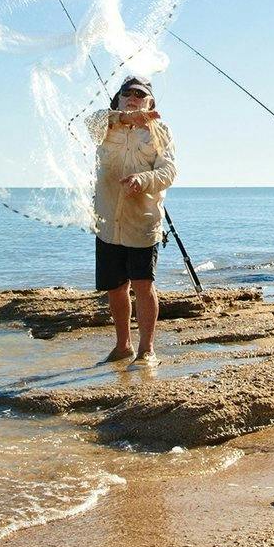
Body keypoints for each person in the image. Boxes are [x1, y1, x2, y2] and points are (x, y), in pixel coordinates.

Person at [88, 76, 178, 365]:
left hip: (142, 221)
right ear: (118, 98)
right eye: (128, 93)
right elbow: (88, 123)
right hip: (106, 221)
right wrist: (125, 117)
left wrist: (143, 179)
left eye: (141, 95)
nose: (134, 97)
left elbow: (169, 172)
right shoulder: (105, 124)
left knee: (142, 284)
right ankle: (122, 345)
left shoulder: (160, 131)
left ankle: (147, 349)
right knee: (115, 288)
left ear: (150, 102)